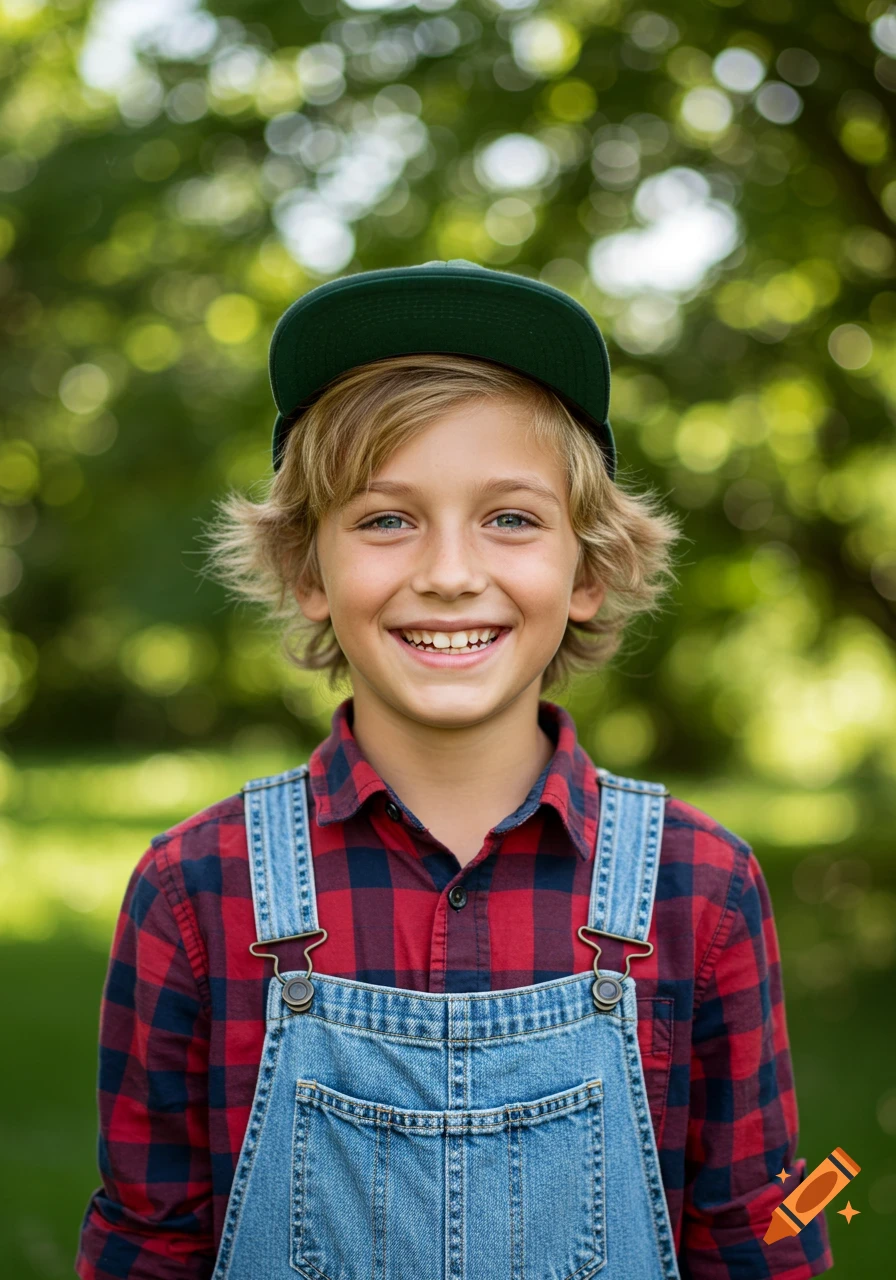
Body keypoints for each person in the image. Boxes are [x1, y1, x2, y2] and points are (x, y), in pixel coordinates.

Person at [75, 260, 833, 1280]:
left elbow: (760, 1238)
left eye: (509, 517)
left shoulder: (698, 888)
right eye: (385, 518)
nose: (445, 571)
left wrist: (795, 1223)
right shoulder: (193, 889)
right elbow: (145, 1243)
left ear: (588, 568)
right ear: (308, 569)